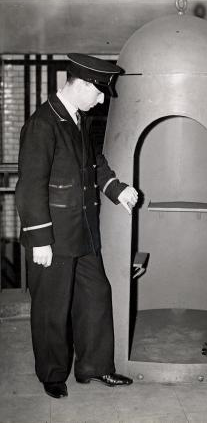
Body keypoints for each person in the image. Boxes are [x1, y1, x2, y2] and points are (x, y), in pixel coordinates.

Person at [15, 53, 138, 399]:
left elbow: (93, 162)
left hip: (83, 230)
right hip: (53, 236)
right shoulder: (43, 124)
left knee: (96, 295)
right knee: (52, 308)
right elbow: (30, 185)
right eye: (99, 93)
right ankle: (52, 374)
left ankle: (94, 367)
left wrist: (117, 189)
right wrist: (39, 239)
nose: (101, 100)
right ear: (82, 85)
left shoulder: (76, 118)